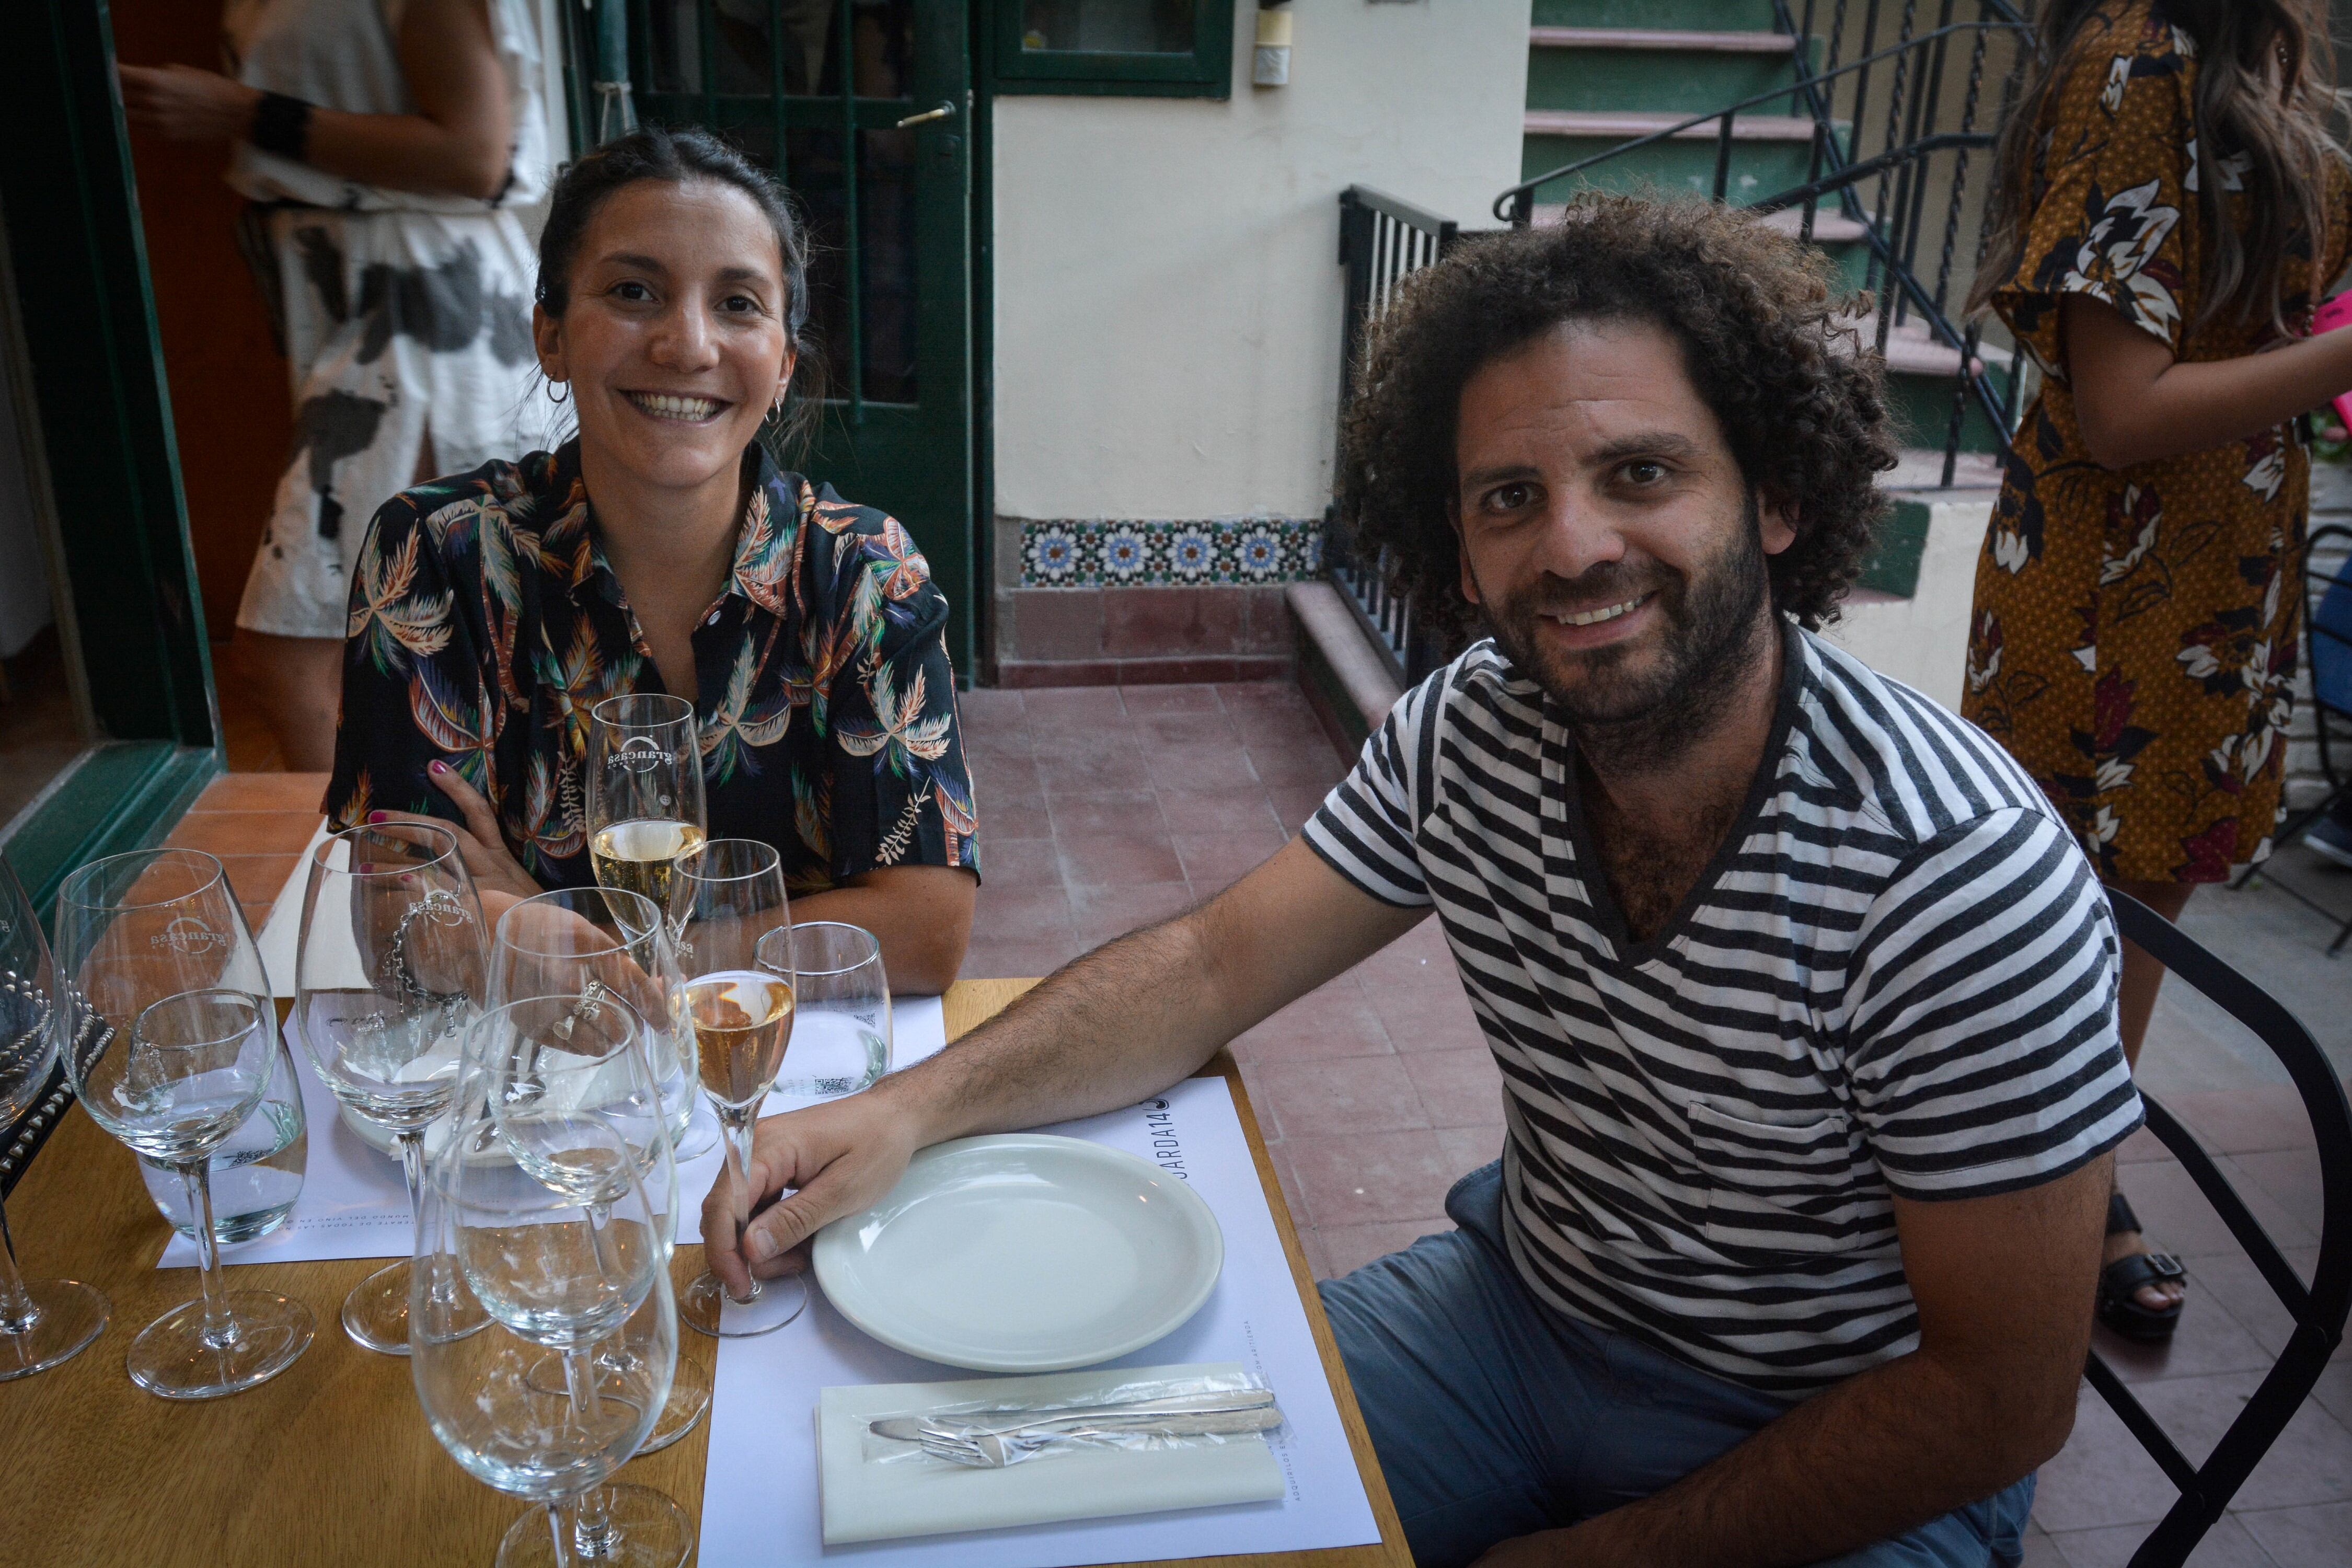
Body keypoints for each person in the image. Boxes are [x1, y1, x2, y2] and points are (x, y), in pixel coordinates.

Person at [706, 199, 2140, 1567]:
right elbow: (1212, 968)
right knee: (1077, 1506)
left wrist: (1597, 1558)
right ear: (1458, 542)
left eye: (1640, 473)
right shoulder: (1477, 729)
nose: (1572, 546)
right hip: (1515, 1324)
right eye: (1510, 498)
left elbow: (1994, 1400)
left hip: (1837, 1433)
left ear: (1771, 496)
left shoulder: (1951, 875)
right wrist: (903, 1110)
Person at [320, 128, 978, 993]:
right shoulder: (440, 555)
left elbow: (927, 930)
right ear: (550, 336)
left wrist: (556, 934)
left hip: (782, 1077)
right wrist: (780, 938)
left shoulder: (864, 572)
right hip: (536, 1087)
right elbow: (404, 923)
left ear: (782, 365)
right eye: (635, 292)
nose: (689, 344)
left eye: (739, 303)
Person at [1958, 0, 2351, 1340]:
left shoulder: (2250, 45)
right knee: (2070, 917)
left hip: (2222, 572)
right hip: (2115, 581)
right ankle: (2023, 1218)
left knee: (2138, 910)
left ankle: (2073, 1187)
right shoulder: (2142, 57)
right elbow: (2122, 411)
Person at [119, 0, 553, 772]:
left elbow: (475, 153)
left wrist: (242, 112)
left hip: (419, 306)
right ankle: (414, 861)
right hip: (361, 294)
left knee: (291, 651)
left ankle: (359, 870)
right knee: (445, 622)